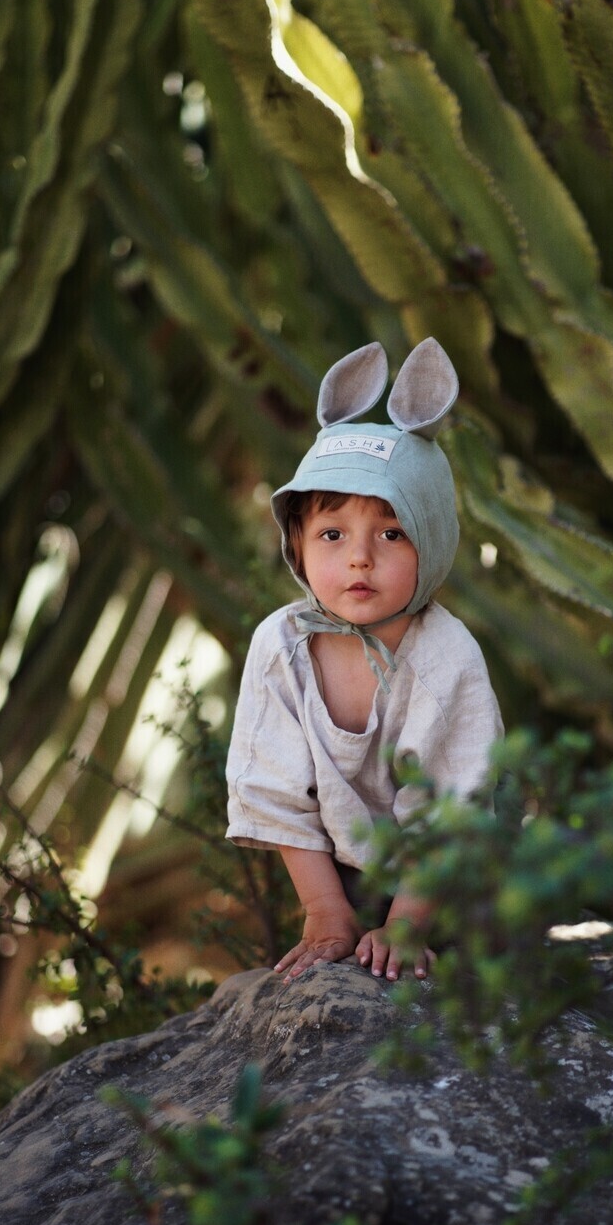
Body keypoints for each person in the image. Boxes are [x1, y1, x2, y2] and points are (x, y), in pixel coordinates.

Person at [226, 339, 503, 983]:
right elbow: (274, 789)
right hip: (345, 877)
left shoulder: (446, 656)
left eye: (391, 532)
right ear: (295, 543)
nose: (359, 558)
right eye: (331, 534)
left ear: (432, 539)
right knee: (336, 931)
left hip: (461, 877)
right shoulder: (282, 646)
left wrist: (407, 924)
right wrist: (326, 912)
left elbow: (456, 807)